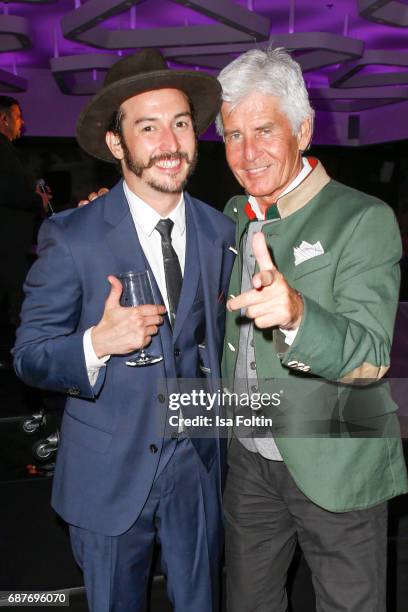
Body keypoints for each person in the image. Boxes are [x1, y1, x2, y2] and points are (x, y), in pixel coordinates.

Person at [13, 49, 235, 612]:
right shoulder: (72, 237)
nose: (170, 140)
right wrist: (95, 344)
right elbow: (29, 356)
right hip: (107, 477)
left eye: (181, 123)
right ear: (117, 144)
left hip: (197, 472)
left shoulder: (219, 231)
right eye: (148, 125)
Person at [217, 47, 408, 612]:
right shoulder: (234, 215)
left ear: (302, 130)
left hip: (337, 459)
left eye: (263, 130)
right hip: (249, 459)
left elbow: (372, 353)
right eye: (231, 135)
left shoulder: (362, 218)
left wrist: (299, 315)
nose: (247, 153)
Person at [0, 96, 51, 328]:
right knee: (13, 295)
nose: (22, 123)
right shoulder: (2, 149)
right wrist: (36, 200)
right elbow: (7, 192)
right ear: (4, 119)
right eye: (18, 117)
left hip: (10, 241)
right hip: (7, 242)